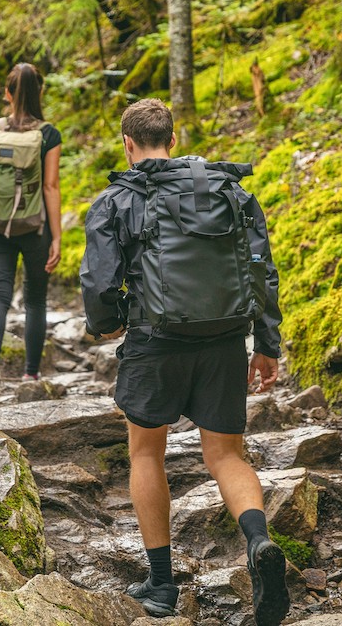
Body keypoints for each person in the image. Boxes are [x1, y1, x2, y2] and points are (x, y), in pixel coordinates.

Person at [80, 98, 290, 625]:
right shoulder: (230, 192)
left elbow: (101, 283)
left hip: (153, 342)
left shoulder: (115, 201)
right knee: (226, 455)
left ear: (128, 144)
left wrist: (106, 324)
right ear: (173, 141)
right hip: (223, 340)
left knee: (147, 454)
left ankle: (162, 584)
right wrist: (266, 343)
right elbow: (262, 270)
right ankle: (259, 542)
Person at [0, 63, 62, 401]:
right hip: (35, 228)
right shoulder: (48, 134)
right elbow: (50, 187)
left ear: (7, 94)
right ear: (41, 92)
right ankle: (31, 375)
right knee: (35, 299)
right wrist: (58, 237)